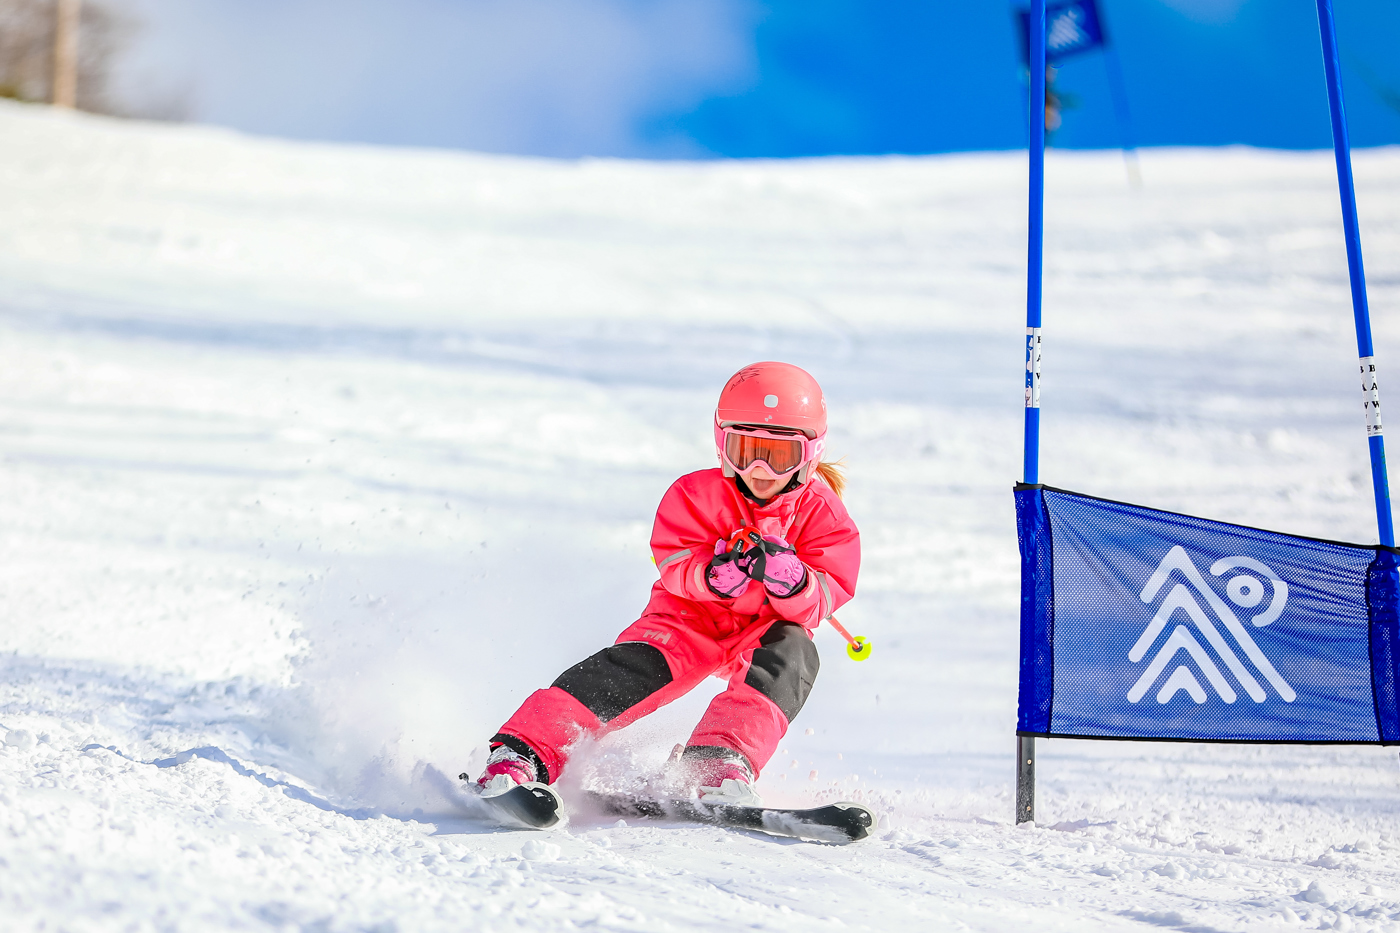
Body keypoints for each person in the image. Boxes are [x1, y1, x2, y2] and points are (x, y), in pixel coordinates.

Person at [471, 361, 860, 805]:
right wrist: (715, 577)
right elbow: (673, 558)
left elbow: (830, 591)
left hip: (767, 626)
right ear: (721, 444)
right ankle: (522, 753)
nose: (760, 470)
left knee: (793, 656)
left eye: (779, 455)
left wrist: (795, 582)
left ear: (809, 454)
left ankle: (715, 762)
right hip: (687, 619)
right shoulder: (696, 494)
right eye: (744, 449)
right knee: (630, 671)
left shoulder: (823, 514)